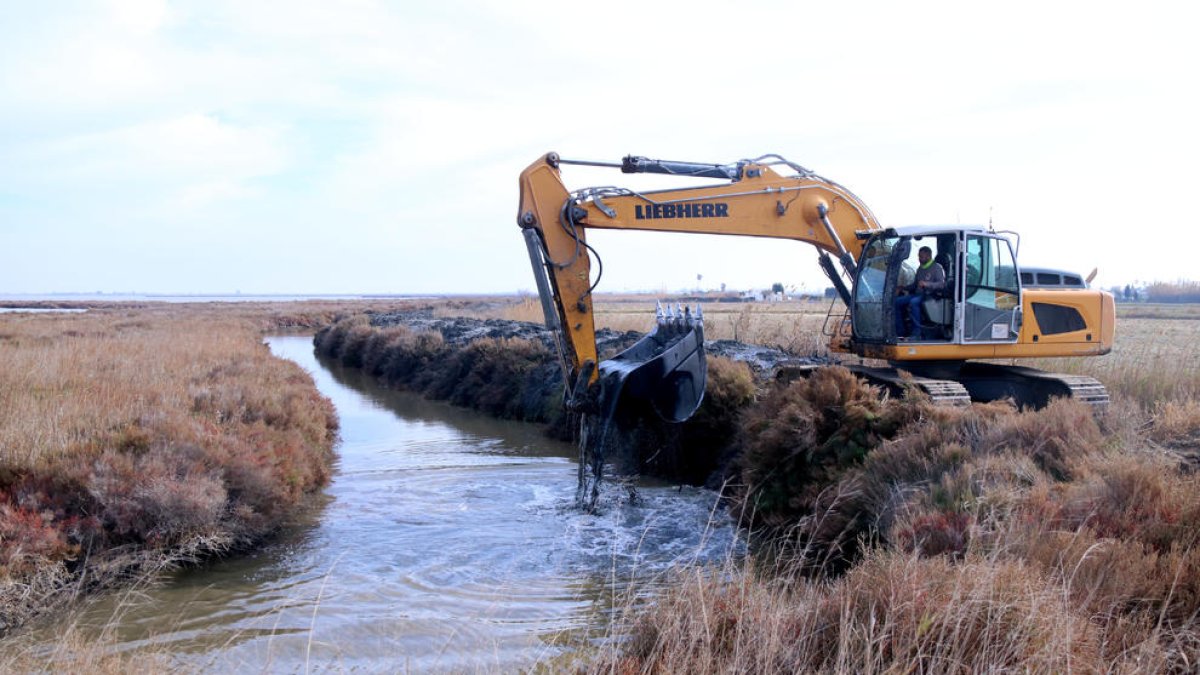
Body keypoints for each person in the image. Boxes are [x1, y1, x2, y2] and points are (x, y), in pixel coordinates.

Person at [893, 246, 946, 340]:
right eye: (919, 256)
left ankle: (916, 333)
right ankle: (900, 331)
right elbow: (915, 285)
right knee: (897, 302)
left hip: (929, 295)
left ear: (928, 256)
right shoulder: (920, 268)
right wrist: (902, 288)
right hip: (917, 294)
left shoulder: (936, 268)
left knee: (914, 302)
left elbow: (941, 284)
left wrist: (927, 284)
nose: (919, 259)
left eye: (922, 256)